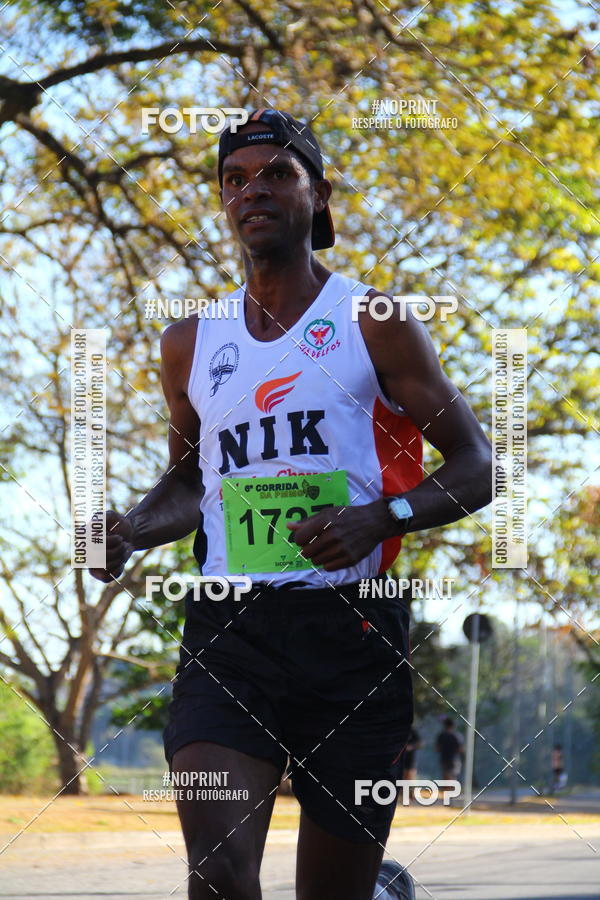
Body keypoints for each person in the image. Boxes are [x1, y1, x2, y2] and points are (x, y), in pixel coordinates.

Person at [91, 108, 493, 900]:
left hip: (354, 634)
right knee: (217, 871)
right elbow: (187, 483)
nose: (254, 191)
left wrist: (384, 517)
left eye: (278, 172)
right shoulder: (188, 342)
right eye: (235, 179)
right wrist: (130, 531)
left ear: (319, 195)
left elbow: (479, 466)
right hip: (229, 633)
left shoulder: (373, 321)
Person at [435, 717, 464, 782]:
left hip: (444, 759)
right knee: (453, 776)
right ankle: (453, 790)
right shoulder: (457, 736)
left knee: (446, 776)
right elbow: (461, 749)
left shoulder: (441, 735)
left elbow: (437, 748)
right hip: (454, 759)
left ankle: (449, 790)